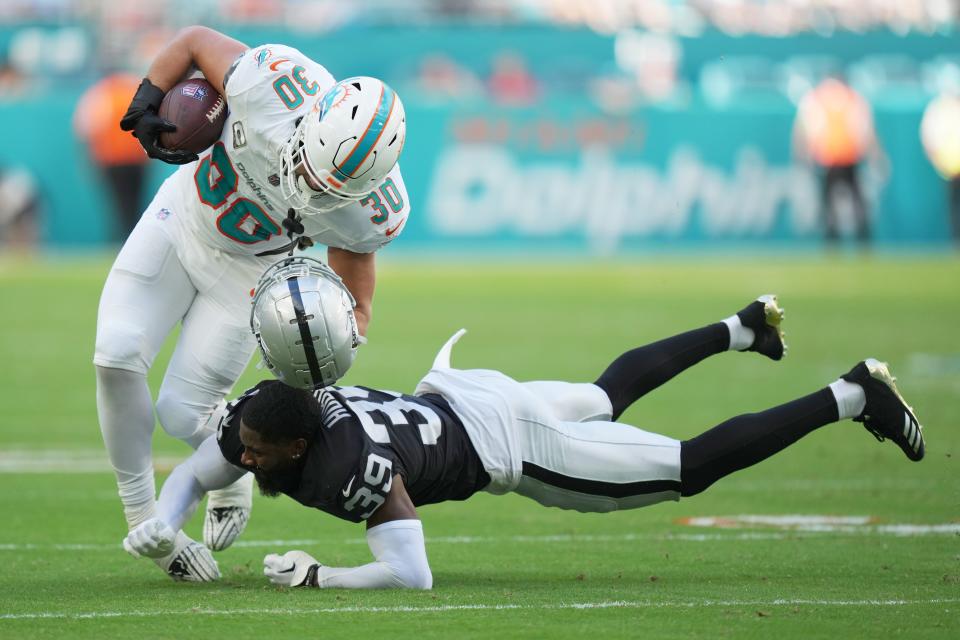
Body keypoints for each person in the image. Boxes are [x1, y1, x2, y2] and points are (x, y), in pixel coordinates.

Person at [123, 294, 926, 587]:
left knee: (687, 469)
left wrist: (320, 578)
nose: (243, 459)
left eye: (257, 454)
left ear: (295, 450)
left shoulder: (342, 467)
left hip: (511, 446)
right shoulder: (270, 411)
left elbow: (412, 573)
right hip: (465, 392)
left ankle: (853, 394)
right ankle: (740, 329)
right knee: (605, 396)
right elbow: (198, 471)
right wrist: (167, 522)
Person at [94, 25, 410, 580]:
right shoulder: (274, 84)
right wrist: (148, 95)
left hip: (250, 271)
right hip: (183, 216)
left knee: (183, 413)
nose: (313, 187)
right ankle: (144, 515)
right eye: (313, 166)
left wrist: (343, 332)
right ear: (309, 123)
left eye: (334, 186)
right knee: (117, 355)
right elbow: (192, 41)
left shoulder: (371, 211)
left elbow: (354, 287)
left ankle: (234, 471)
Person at [793, 76, 879, 244]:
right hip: (840, 157)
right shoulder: (852, 98)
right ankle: (854, 238)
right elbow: (867, 130)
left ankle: (839, 238)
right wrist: (875, 155)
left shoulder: (816, 99)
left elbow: (802, 130)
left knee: (834, 203)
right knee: (847, 202)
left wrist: (801, 154)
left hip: (835, 157)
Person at [73, 72, 150, 240]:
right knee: (134, 205)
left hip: (113, 160)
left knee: (120, 207)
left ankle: (124, 241)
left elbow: (86, 130)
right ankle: (132, 241)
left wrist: (90, 161)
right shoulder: (133, 89)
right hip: (134, 159)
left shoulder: (98, 94)